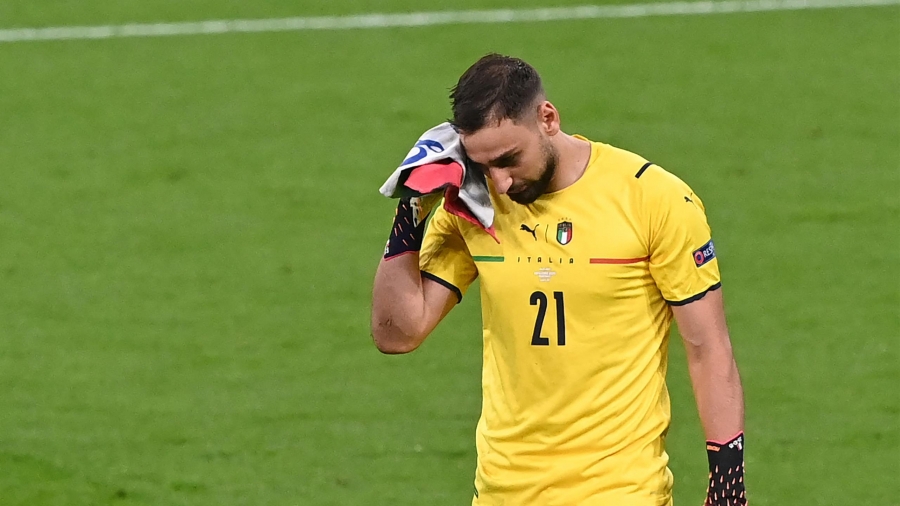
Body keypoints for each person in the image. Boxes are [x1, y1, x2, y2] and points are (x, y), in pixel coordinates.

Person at [371, 54, 747, 506]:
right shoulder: (475, 208)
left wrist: (727, 482)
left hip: (619, 491)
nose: (502, 182)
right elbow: (397, 334)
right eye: (485, 165)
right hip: (501, 492)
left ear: (547, 118)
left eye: (510, 159)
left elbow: (709, 347)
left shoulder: (653, 199)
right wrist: (410, 212)